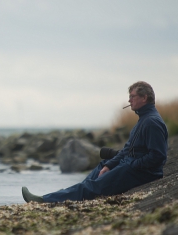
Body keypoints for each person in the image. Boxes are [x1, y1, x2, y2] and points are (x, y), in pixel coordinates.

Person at [22, 81, 168, 203]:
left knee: (94, 187)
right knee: (99, 169)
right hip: (131, 165)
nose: (129, 100)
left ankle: (43, 201)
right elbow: (126, 150)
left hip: (141, 172)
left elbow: (158, 156)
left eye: (132, 96)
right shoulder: (143, 120)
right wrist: (110, 165)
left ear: (144, 98)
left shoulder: (151, 122)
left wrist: (132, 165)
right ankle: (54, 198)